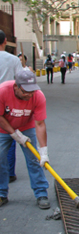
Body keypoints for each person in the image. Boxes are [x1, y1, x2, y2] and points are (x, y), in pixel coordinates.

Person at [0, 70, 51, 209]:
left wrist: (43, 151)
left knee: (34, 160)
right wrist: (13, 133)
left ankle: (41, 193)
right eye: (25, 91)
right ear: (16, 86)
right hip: (3, 129)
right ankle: (1, 194)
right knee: (0, 159)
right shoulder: (2, 91)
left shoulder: (38, 97)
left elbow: (40, 124)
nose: (29, 94)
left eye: (31, 91)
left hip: (26, 127)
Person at [0, 30, 23, 184]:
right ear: (5, 41)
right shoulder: (14, 60)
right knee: (10, 135)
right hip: (7, 102)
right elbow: (21, 82)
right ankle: (9, 174)